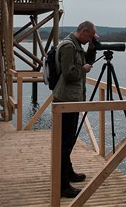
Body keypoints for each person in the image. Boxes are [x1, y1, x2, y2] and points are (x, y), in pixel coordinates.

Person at [52, 21, 98, 198]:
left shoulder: (77, 45)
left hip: (71, 99)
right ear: (83, 31)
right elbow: (69, 74)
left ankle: (68, 173)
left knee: (69, 140)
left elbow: (87, 60)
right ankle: (62, 186)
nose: (89, 39)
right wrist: (84, 69)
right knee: (64, 143)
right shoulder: (69, 47)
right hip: (65, 100)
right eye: (89, 36)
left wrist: (92, 47)